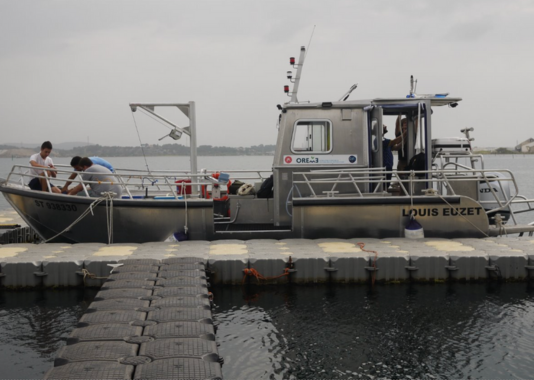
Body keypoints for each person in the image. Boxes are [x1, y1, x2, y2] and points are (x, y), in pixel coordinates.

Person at [382, 125, 407, 190]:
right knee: (384, 185)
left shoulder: (385, 141)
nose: (386, 126)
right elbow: (395, 141)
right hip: (385, 167)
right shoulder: (382, 141)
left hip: (388, 167)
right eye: (383, 126)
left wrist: (405, 139)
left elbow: (396, 147)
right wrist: (405, 133)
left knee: (386, 184)